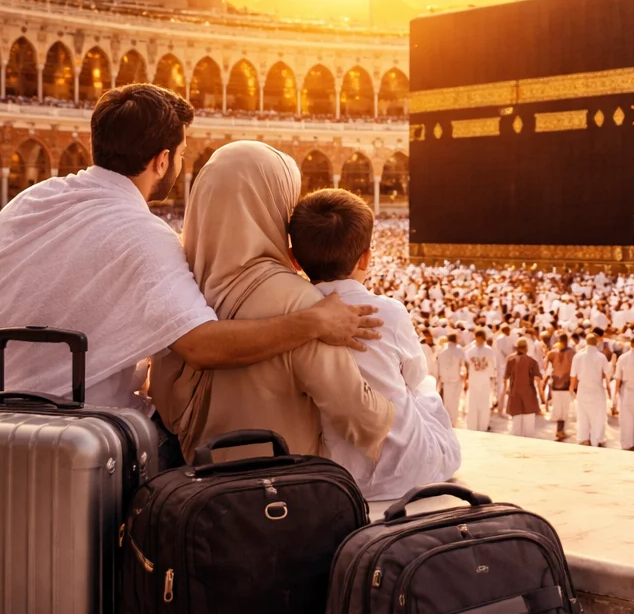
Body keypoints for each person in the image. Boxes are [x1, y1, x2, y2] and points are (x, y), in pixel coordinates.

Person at [0, 85, 382, 416]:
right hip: (63, 425)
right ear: (161, 160)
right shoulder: (144, 233)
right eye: (181, 154)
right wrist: (314, 320)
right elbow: (203, 347)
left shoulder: (32, 198)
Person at [149, 143, 395, 468]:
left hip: (195, 486)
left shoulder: (176, 286)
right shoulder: (302, 304)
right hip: (278, 496)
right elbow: (364, 420)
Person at [287, 188, 460, 502]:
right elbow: (415, 375)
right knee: (424, 387)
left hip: (338, 472)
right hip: (414, 468)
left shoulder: (291, 314)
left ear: (294, 259)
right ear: (366, 256)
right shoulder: (388, 312)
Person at [571, 332, 610, 446]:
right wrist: (607, 386)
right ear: (597, 343)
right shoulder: (601, 357)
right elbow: (607, 374)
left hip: (583, 390)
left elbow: (573, 375)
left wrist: (571, 388)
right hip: (597, 390)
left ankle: (584, 439)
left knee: (582, 415)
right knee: (598, 416)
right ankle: (597, 439)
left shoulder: (578, 356)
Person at [502, 339, 543, 437]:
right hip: (529, 395)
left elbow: (505, 378)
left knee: (516, 426)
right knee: (529, 428)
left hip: (515, 394)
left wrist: (506, 390)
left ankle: (516, 449)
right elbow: (538, 378)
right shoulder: (532, 361)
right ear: (526, 348)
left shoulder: (511, 360)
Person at [463, 329, 496, 432]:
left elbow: (493, 365)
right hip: (475, 379)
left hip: (483, 379)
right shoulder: (472, 350)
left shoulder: (485, 350)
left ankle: (482, 426)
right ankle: (475, 426)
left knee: (483, 403)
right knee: (474, 403)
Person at [545, 334, 575, 441]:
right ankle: (560, 431)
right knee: (564, 409)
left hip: (556, 384)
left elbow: (547, 369)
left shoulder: (552, 353)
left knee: (560, 409)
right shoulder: (571, 352)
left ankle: (560, 430)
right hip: (565, 385)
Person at [436, 332, 465, 426]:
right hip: (456, 378)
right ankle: (453, 422)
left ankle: (447, 422)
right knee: (455, 401)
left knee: (447, 401)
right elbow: (463, 364)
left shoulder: (442, 350)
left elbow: (438, 364)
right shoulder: (459, 349)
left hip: (445, 379)